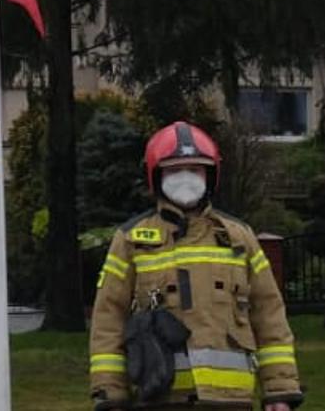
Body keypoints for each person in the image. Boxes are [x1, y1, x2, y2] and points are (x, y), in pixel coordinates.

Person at [88, 121, 303, 410]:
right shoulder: (131, 240)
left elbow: (269, 315)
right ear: (157, 175)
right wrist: (110, 392)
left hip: (231, 400)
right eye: (175, 170)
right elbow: (108, 319)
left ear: (211, 174)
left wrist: (280, 389)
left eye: (195, 169)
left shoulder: (239, 237)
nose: (186, 178)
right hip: (161, 397)